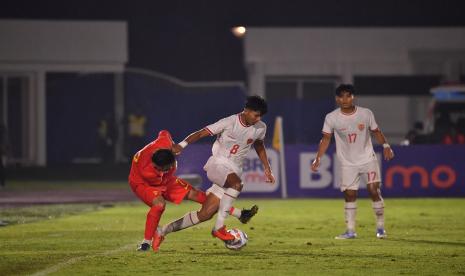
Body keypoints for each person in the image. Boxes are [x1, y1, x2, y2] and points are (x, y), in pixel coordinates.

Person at [152, 95, 275, 249]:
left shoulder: (260, 127)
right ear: (246, 111)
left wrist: (267, 169)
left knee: (205, 214)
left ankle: (163, 231)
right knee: (237, 184)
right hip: (217, 165)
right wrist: (181, 145)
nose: (258, 119)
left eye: (260, 116)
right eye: (256, 115)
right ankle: (219, 228)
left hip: (233, 171)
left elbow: (259, 146)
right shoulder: (229, 122)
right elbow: (200, 133)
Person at [129, 130, 257, 252]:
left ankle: (240, 214)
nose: (161, 170)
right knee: (159, 205)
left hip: (167, 180)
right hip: (143, 184)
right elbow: (160, 184)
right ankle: (146, 242)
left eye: (164, 168)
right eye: (159, 169)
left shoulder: (164, 143)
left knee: (205, 202)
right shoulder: (147, 171)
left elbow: (164, 132)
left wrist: (176, 145)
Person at [311, 84, 394, 239]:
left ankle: (381, 228)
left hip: (368, 159)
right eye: (341, 96)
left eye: (348, 96)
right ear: (337, 99)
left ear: (353, 97)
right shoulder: (332, 117)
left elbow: (376, 131)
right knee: (349, 195)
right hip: (348, 163)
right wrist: (318, 157)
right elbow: (326, 139)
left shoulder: (365, 113)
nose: (344, 99)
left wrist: (386, 145)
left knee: (373, 191)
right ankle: (350, 231)